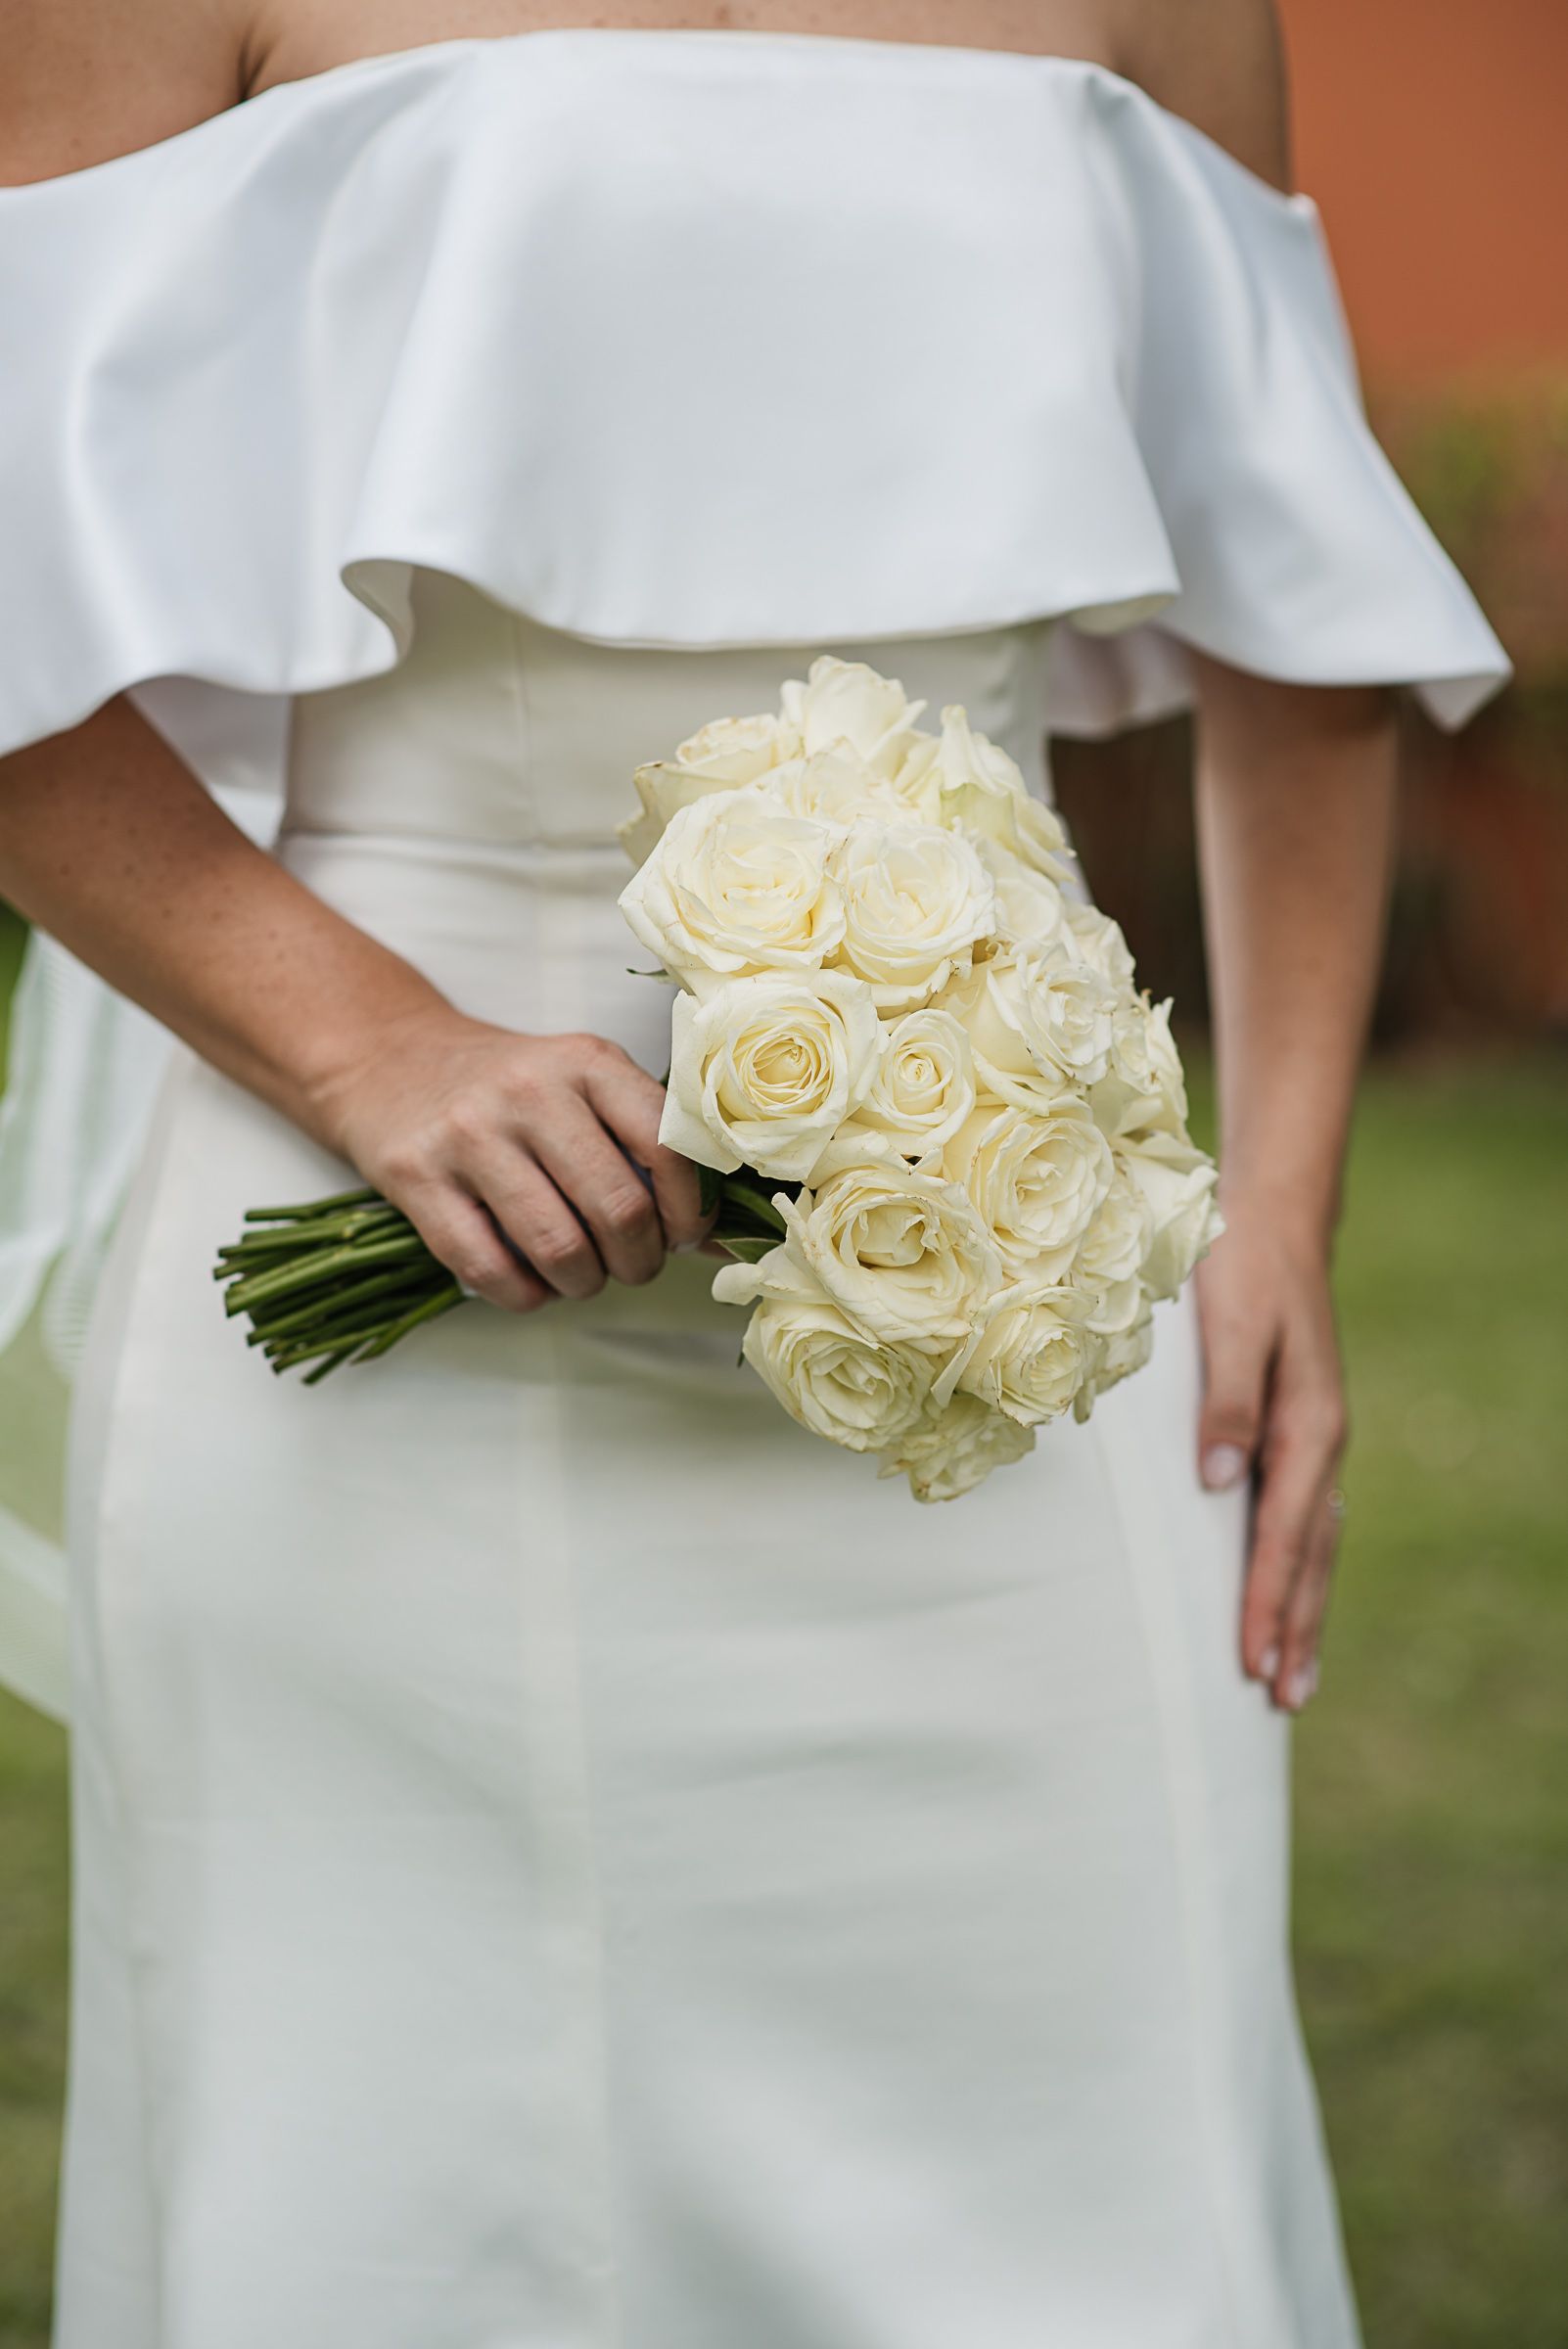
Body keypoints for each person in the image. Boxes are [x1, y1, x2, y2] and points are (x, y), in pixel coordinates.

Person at [0, 3, 1507, 2343]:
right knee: (407, 2195)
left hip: (1021, 1302)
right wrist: (370, 1041)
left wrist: (1277, 1201)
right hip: (393, 1301)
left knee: (1081, 2202)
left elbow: (1294, 621)